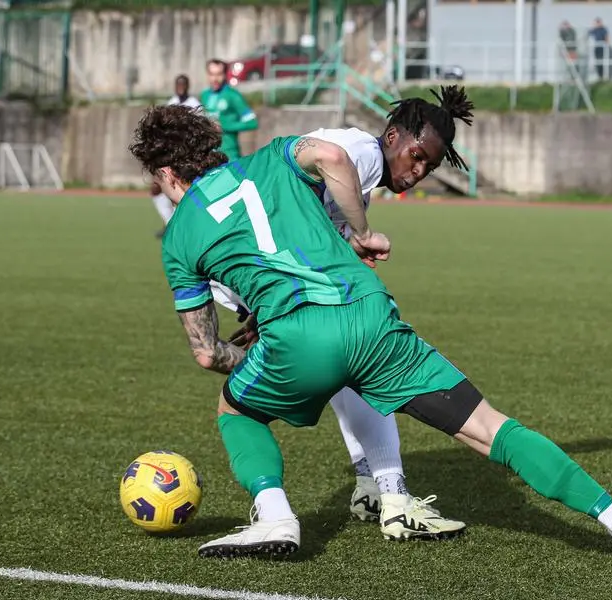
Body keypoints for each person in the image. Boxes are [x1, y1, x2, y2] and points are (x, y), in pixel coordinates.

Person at [130, 104, 612, 571]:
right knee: (491, 428)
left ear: (164, 174)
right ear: (211, 147)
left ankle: (276, 515)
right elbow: (328, 154)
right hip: (373, 316)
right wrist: (362, 234)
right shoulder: (274, 156)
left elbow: (206, 351)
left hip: (296, 335)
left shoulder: (179, 235)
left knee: (236, 410)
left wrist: (244, 355)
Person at [148, 89, 477, 539]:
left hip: (275, 281)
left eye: (429, 165)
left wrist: (348, 241)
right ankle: (389, 495)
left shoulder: (362, 160)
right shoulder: (360, 154)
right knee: (356, 365)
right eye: (417, 158)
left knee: (347, 370)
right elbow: (321, 183)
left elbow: (314, 209)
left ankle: (372, 489)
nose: (418, 172)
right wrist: (358, 236)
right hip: (286, 281)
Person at [153, 75, 202, 230]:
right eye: (178, 85)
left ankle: (181, 225)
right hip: (171, 153)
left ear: (187, 86)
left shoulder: (194, 104)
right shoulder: (171, 102)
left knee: (183, 188)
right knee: (157, 188)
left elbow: (201, 128)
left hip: (188, 153)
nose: (180, 88)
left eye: (183, 85)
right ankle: (170, 222)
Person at [201, 59, 258, 161]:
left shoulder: (233, 95)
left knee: (242, 176)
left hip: (230, 156)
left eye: (219, 74)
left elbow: (252, 122)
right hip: (209, 156)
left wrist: (226, 125)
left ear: (225, 74)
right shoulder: (204, 95)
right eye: (211, 74)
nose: (215, 78)